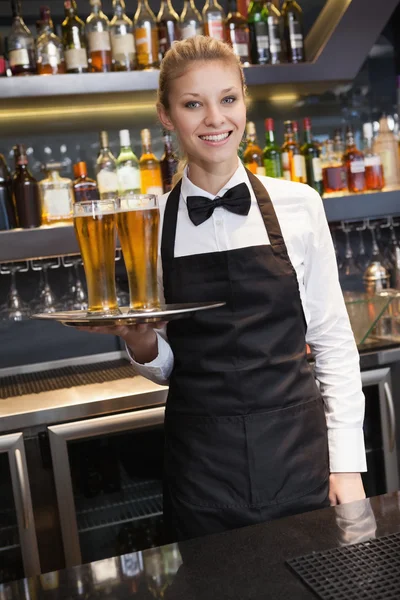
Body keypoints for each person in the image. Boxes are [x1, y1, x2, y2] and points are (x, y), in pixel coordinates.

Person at [88, 36, 366, 542]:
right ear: (166, 116)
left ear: (244, 101)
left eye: (228, 99)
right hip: (202, 469)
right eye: (193, 104)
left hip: (299, 455)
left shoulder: (299, 204)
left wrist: (346, 466)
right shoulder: (148, 227)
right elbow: (170, 366)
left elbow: (333, 343)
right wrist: (139, 342)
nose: (215, 118)